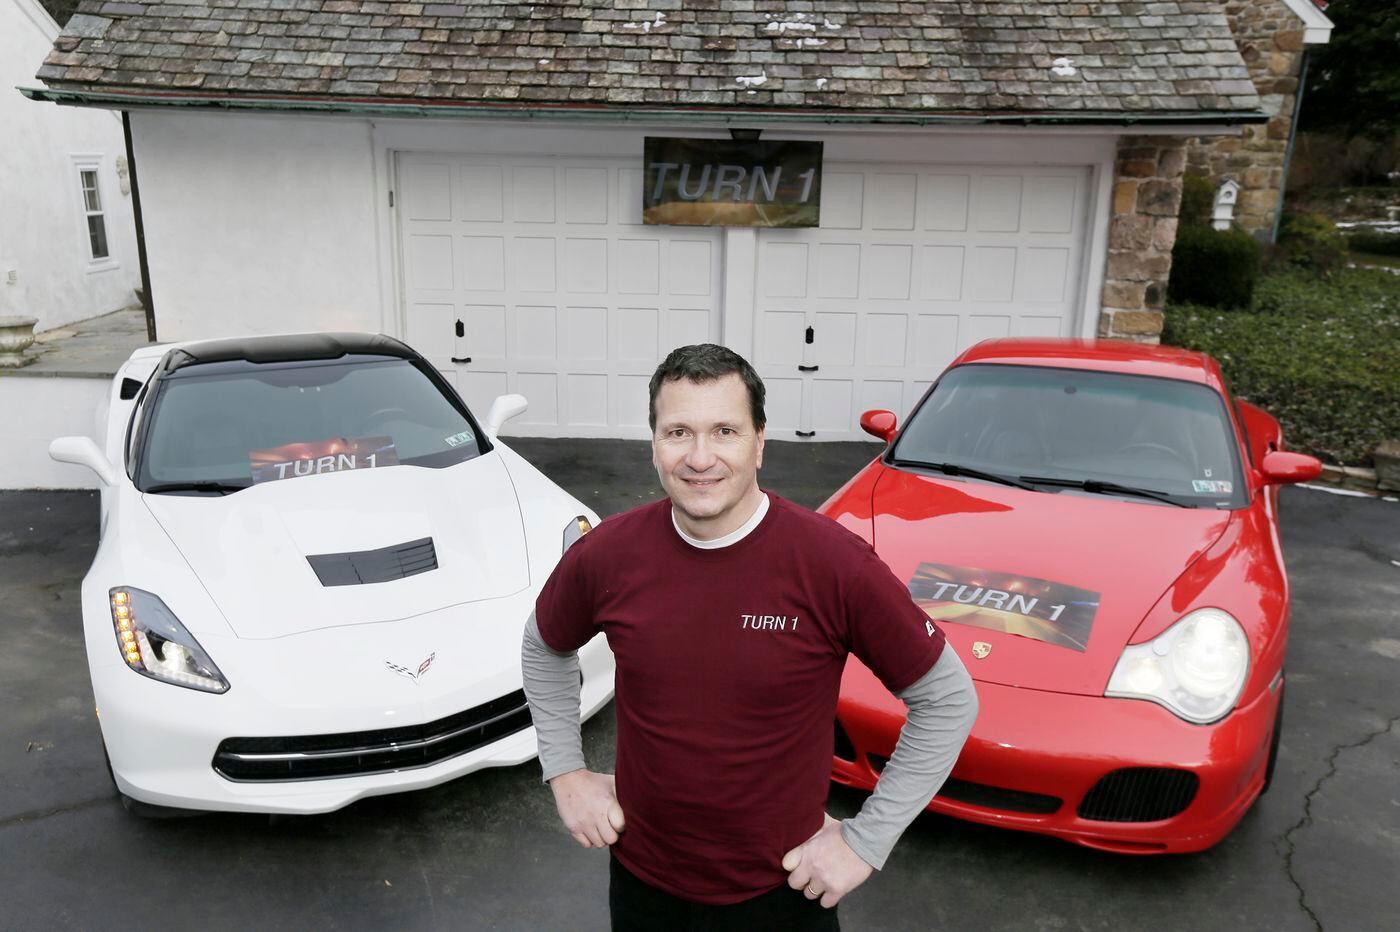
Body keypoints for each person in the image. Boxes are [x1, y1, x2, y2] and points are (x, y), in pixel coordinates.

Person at [521, 344, 978, 930]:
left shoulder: (833, 565)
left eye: (725, 431)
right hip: (641, 886)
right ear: (654, 444)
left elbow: (947, 700)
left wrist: (866, 841)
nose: (700, 457)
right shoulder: (608, 554)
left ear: (760, 442)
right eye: (678, 432)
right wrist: (564, 771)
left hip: (782, 894)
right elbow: (544, 645)